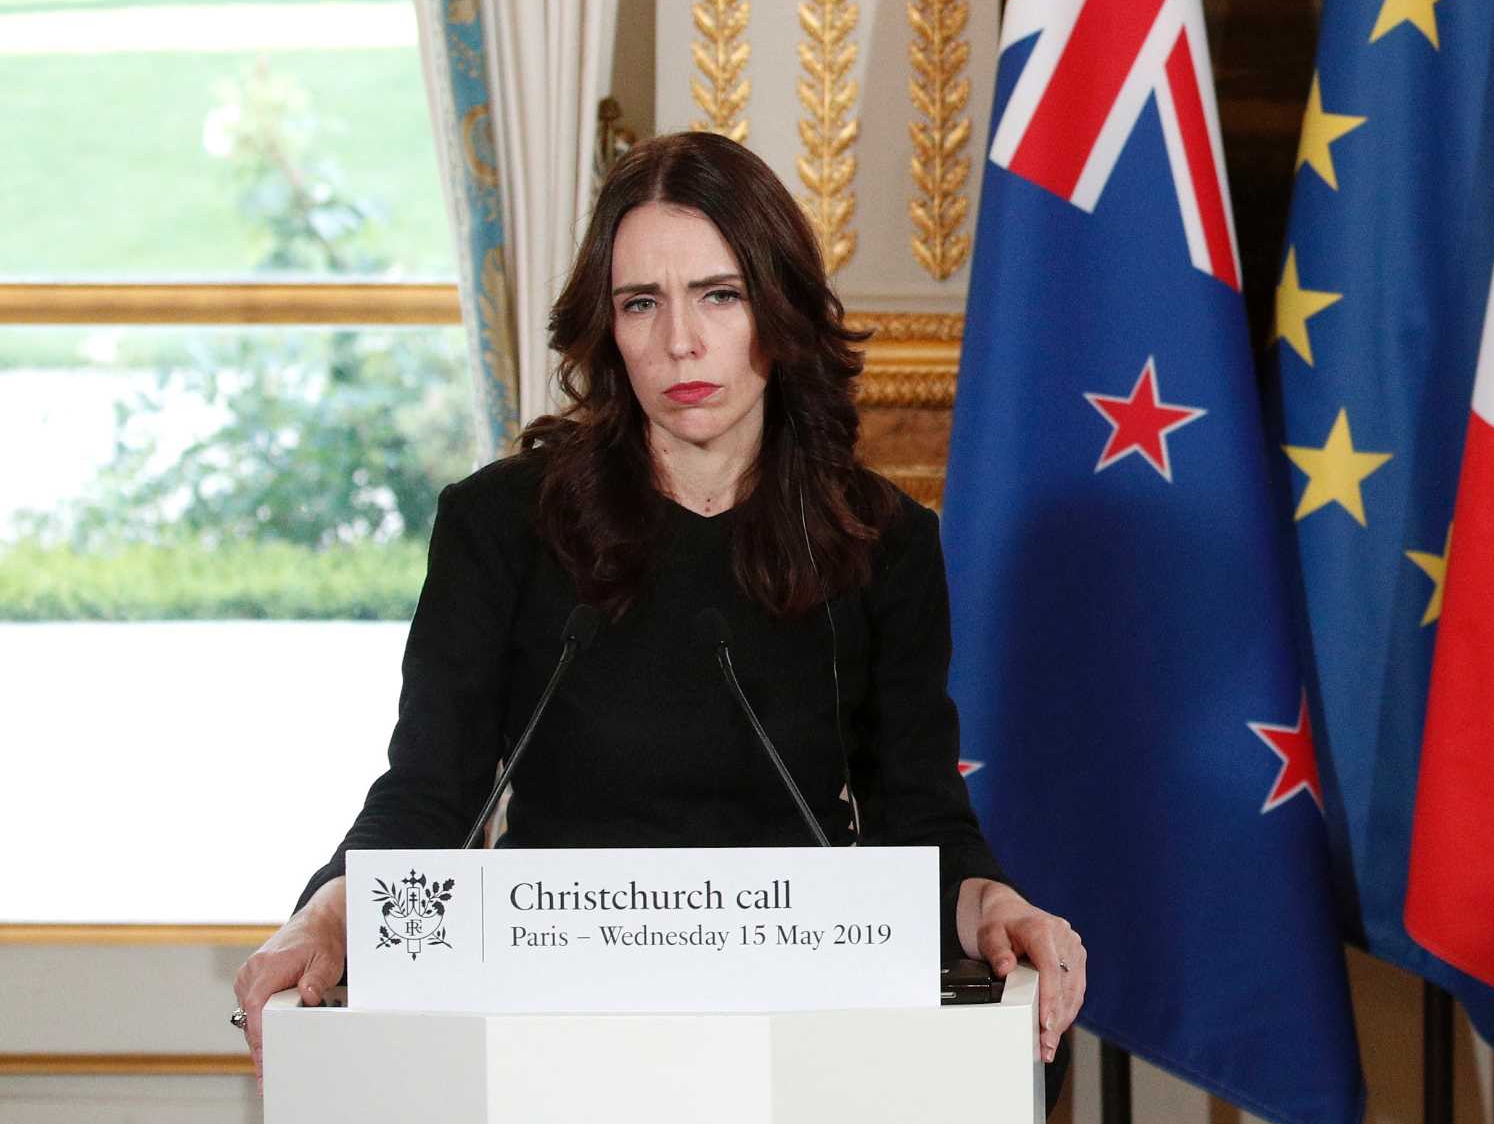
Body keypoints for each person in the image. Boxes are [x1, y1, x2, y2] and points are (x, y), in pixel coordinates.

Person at [232, 133, 1083, 1070]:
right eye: (643, 303)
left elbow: (917, 824)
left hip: (799, 1028)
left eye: (719, 295)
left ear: (779, 308)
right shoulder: (500, 525)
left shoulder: (878, 541)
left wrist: (1000, 907)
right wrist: (322, 920)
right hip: (544, 1023)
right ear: (608, 327)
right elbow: (429, 801)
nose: (681, 340)